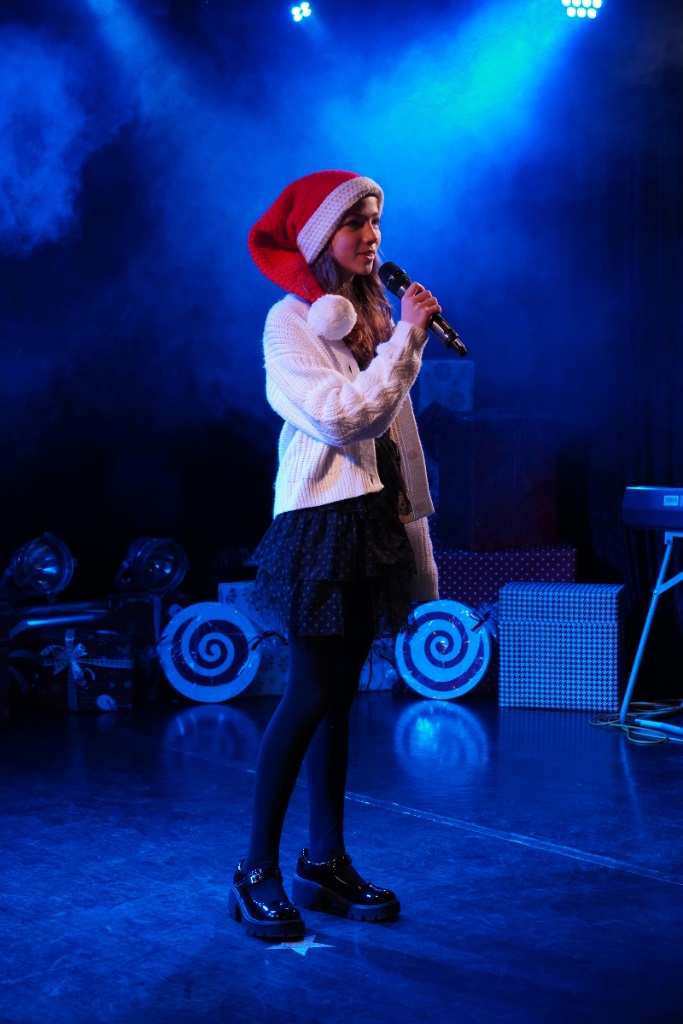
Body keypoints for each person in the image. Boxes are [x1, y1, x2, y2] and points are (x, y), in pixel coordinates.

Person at [229, 169, 440, 940]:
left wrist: (396, 337)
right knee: (310, 692)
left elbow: (395, 443)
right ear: (321, 238)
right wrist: (408, 343)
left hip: (372, 521)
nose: (371, 235)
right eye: (354, 222)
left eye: (376, 220)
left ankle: (324, 860)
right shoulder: (289, 323)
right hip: (321, 524)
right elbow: (342, 419)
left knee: (340, 698)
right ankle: (255, 869)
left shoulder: (371, 319)